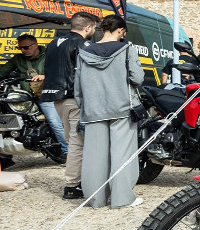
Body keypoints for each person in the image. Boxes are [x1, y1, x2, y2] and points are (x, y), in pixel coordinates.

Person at [75, 15, 144, 209]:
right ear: (120, 30)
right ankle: (122, 199)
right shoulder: (126, 49)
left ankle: (96, 199)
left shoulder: (84, 52)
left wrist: (84, 107)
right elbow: (137, 78)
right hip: (121, 107)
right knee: (122, 154)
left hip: (93, 109)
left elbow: (78, 85)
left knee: (95, 157)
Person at [40, 12, 100, 199]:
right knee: (77, 143)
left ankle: (76, 181)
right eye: (94, 28)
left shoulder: (53, 43)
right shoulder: (83, 44)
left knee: (71, 141)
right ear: (88, 27)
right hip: (74, 98)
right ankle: (73, 186)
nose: (94, 31)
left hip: (56, 98)